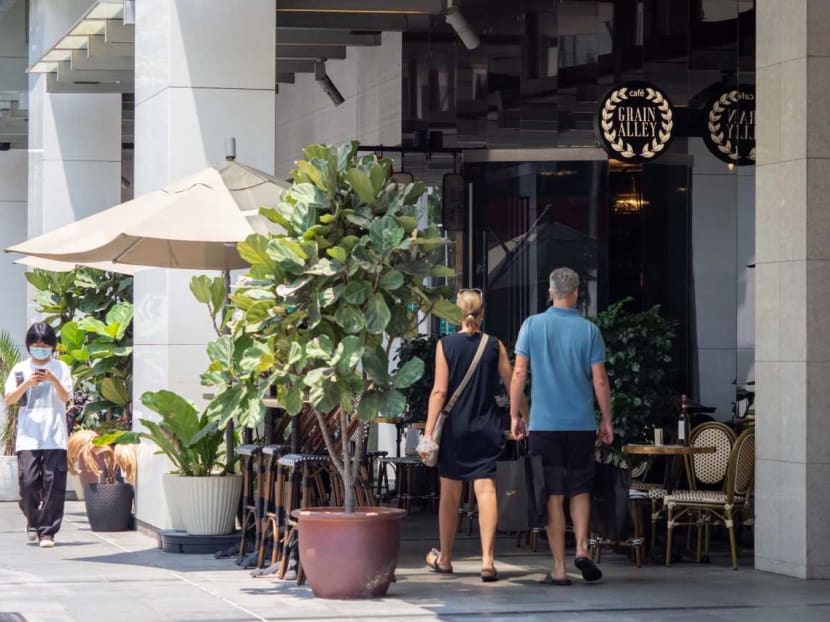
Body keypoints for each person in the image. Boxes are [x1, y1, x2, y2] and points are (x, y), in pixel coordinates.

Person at [509, 267, 613, 585]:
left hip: (545, 425)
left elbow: (518, 374)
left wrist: (515, 415)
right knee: (581, 488)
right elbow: (599, 379)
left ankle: (559, 568)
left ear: (550, 292)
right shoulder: (589, 331)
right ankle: (581, 548)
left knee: (553, 494)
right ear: (577, 293)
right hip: (581, 425)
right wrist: (606, 419)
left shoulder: (532, 326)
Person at [420, 289, 527, 582]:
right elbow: (512, 385)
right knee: (486, 492)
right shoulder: (494, 345)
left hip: (455, 430)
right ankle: (488, 561)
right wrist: (523, 416)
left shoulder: (445, 345)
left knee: (449, 496)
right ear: (482, 313)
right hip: (486, 427)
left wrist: (429, 432)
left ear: (457, 314)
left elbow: (439, 391)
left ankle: (446, 558)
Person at [3, 322, 73, 548]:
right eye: (36, 345)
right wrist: (27, 384)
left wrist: (53, 380)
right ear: (29, 345)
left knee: (54, 484)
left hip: (54, 436)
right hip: (28, 435)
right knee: (29, 482)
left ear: (52, 346)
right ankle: (33, 521)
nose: (40, 349)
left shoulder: (61, 368)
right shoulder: (20, 369)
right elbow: (10, 399)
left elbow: (65, 398)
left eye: (45, 345)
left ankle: (47, 532)